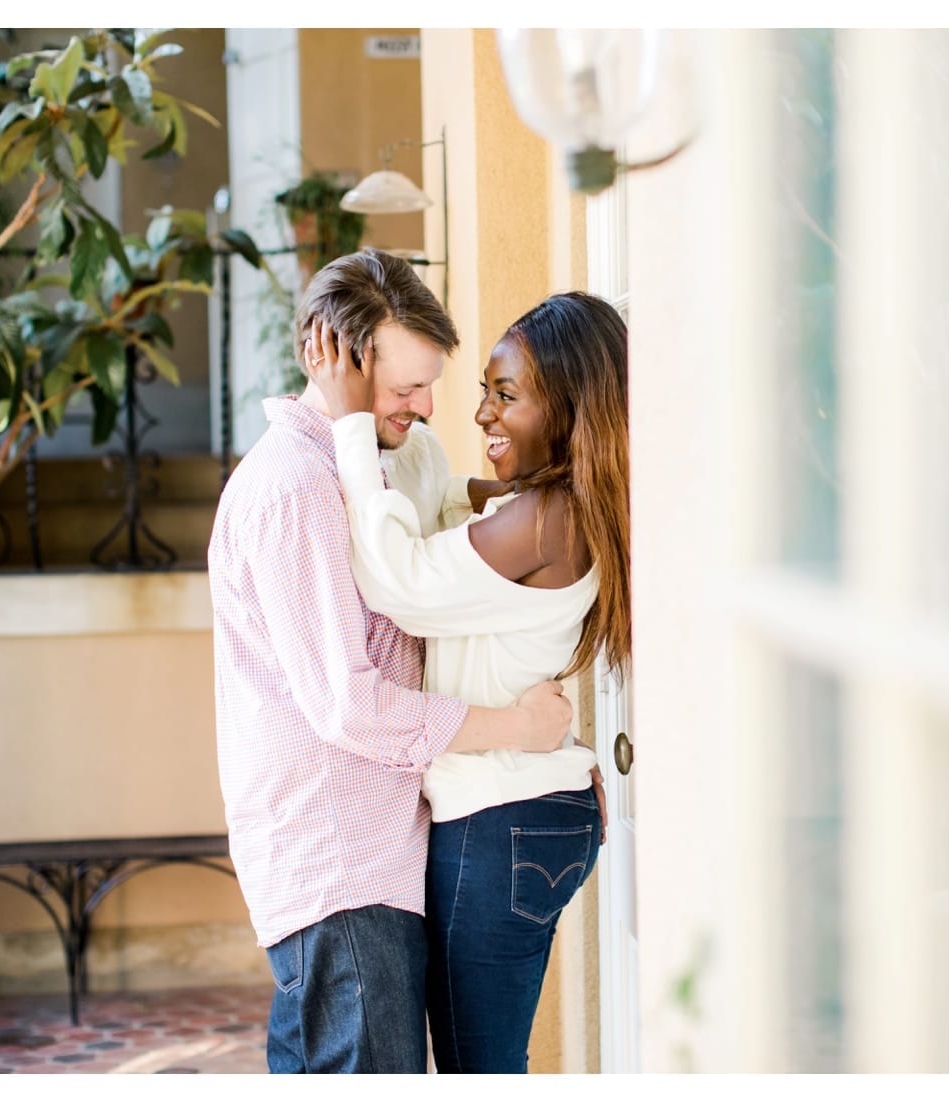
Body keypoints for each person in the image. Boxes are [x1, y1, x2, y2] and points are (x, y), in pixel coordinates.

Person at [208, 250, 575, 1075]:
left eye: (429, 383)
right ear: (328, 356)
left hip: (371, 854)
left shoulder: (359, 470)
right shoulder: (297, 488)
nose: (426, 406)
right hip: (338, 863)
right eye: (404, 388)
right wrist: (520, 727)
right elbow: (354, 706)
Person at [312, 290, 631, 1073]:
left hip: (500, 824)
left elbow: (400, 581)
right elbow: (454, 504)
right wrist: (404, 441)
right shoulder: (548, 504)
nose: (483, 414)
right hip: (522, 818)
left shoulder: (549, 518)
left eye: (507, 394)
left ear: (569, 408)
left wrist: (355, 425)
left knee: (477, 1071)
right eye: (486, 390)